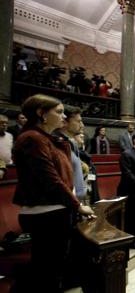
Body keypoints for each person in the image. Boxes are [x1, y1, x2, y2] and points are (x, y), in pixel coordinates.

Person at [12, 94, 95, 292]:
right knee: (47, 270)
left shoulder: (50, 139)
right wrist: (77, 205)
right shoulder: (32, 138)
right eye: (58, 112)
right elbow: (50, 180)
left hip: (56, 211)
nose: (63, 116)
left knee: (55, 269)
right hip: (45, 214)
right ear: (41, 113)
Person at [54, 105, 87, 202]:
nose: (82, 125)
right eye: (78, 121)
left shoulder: (71, 143)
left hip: (75, 201)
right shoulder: (56, 142)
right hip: (64, 202)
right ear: (65, 122)